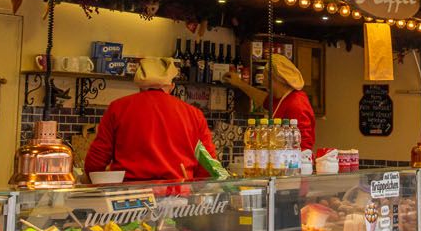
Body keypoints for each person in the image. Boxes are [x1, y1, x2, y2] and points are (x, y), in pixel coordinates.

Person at [84, 57, 217, 182]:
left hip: (129, 198)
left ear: (140, 86)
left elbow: (97, 160)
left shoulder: (118, 108)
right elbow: (208, 166)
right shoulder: (194, 114)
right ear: (171, 86)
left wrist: (92, 181)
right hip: (178, 195)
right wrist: (195, 190)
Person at [221, 53, 316, 151]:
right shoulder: (281, 98)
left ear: (274, 78)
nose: (264, 83)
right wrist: (239, 83)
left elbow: (304, 146)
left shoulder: (297, 104)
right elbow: (263, 98)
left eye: (266, 78)